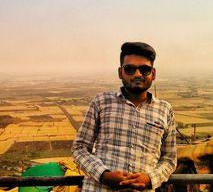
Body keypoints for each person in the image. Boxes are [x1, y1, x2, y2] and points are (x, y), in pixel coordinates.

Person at [72, 42, 176, 192]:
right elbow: (79, 148)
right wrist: (104, 176)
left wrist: (149, 179)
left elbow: (169, 159)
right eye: (130, 69)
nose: (137, 74)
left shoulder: (165, 110)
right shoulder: (101, 102)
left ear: (153, 73)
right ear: (120, 72)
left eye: (144, 69)